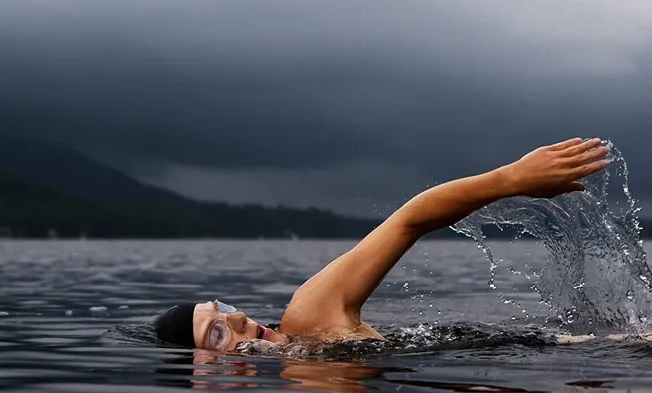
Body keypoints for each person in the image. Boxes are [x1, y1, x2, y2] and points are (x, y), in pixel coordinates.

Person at [155, 137, 611, 352]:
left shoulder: (310, 317)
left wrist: (510, 179)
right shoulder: (305, 391)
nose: (237, 317)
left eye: (223, 308)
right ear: (205, 375)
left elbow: (408, 221)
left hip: (582, 351)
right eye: (217, 332)